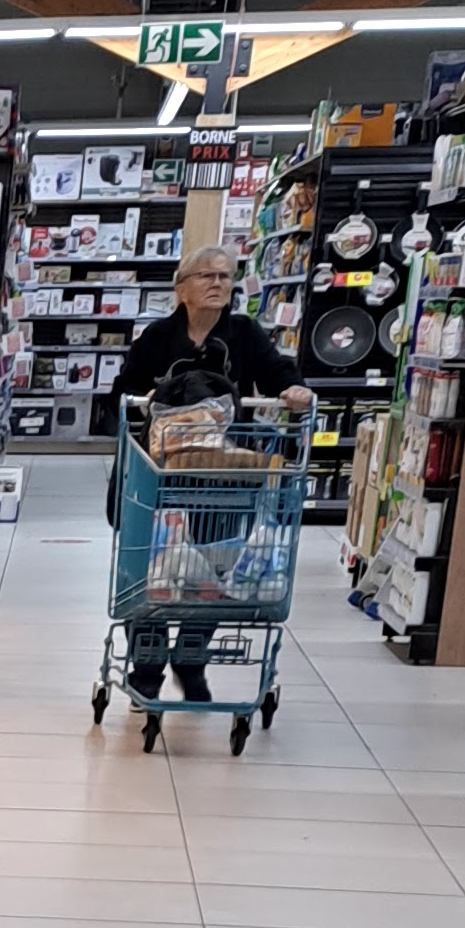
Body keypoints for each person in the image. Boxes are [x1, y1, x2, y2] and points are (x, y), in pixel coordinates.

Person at [110, 249, 312, 703]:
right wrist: (144, 399)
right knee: (146, 572)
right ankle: (147, 666)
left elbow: (277, 371)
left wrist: (293, 388)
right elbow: (122, 391)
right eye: (207, 276)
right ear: (182, 288)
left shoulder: (244, 333)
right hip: (158, 473)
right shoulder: (157, 337)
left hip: (221, 478)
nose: (218, 283)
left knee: (212, 573)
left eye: (225, 276)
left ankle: (191, 658)